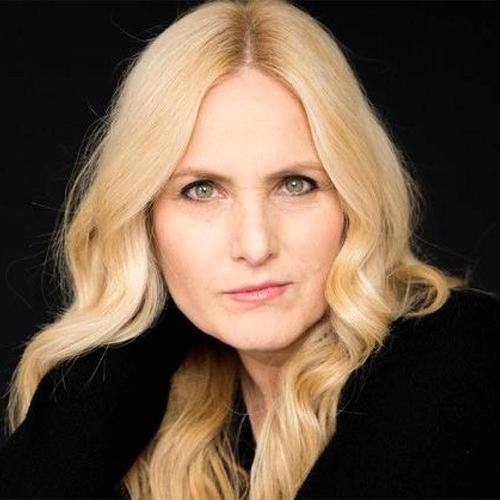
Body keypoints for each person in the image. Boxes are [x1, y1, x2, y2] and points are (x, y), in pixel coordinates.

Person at [0, 0, 499, 498]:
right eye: (201, 190)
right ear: (144, 218)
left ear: (354, 198)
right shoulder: (184, 414)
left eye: (296, 184)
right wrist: (138, 319)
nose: (255, 245)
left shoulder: (459, 354)